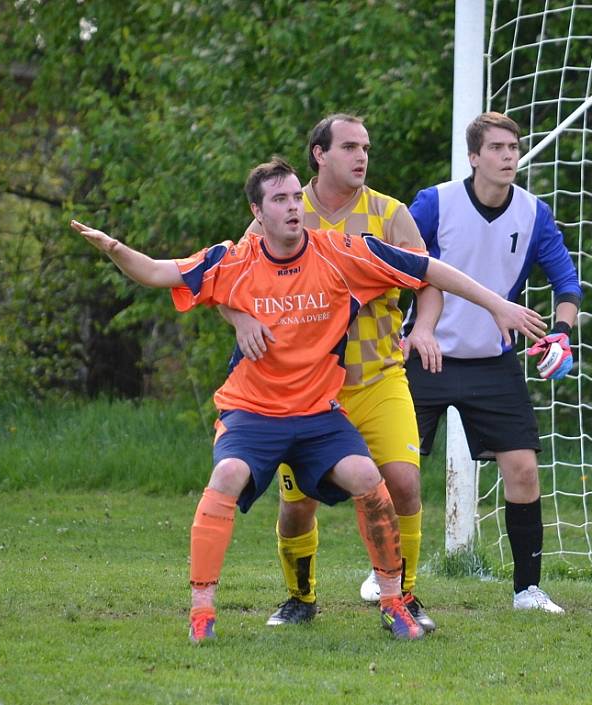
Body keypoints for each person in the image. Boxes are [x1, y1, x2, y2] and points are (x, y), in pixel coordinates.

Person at [70, 156, 547, 643]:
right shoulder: (232, 260)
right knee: (229, 476)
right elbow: (155, 272)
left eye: (297, 196)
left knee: (370, 477)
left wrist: (496, 303)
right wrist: (112, 247)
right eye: (280, 199)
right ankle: (202, 611)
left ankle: (393, 601)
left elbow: (428, 269)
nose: (294, 207)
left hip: (319, 414)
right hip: (253, 412)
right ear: (258, 212)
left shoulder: (340, 253)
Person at [218, 114, 443, 631]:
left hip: (380, 375)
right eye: (349, 147)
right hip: (308, 390)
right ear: (319, 154)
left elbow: (428, 281)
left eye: (365, 147)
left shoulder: (389, 213)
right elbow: (225, 282)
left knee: (404, 482)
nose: (362, 156)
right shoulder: (284, 209)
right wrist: (242, 318)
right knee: (298, 505)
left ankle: (403, 597)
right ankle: (301, 598)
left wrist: (424, 328)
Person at [405, 112, 582, 614]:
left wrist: (561, 335)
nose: (510, 156)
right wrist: (398, 332)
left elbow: (567, 285)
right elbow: (393, 269)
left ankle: (528, 590)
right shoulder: (434, 204)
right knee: (400, 473)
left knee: (524, 469)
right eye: (499, 148)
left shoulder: (533, 214)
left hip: (493, 363)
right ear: (474, 156)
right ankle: (390, 580)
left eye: (515, 147)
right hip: (427, 356)